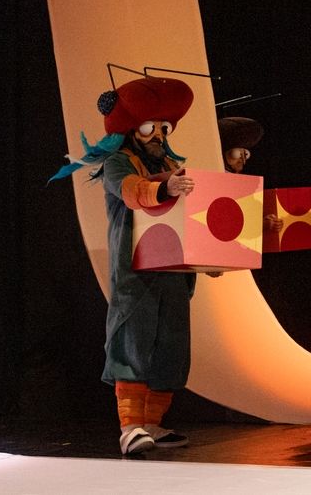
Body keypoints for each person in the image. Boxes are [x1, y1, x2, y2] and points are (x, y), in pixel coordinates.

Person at [51, 74, 216, 456]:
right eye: (148, 126)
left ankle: (153, 423)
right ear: (130, 128)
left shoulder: (173, 164)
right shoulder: (118, 163)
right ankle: (131, 427)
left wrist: (210, 255)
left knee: (171, 345)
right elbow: (130, 191)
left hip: (173, 271)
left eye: (163, 127)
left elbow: (191, 216)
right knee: (133, 341)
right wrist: (163, 188)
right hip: (136, 269)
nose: (157, 134)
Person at [218, 116, 285, 233]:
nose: (242, 158)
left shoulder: (243, 185)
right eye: (236, 153)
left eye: (245, 153)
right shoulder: (216, 180)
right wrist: (259, 225)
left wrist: (265, 221)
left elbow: (244, 214)